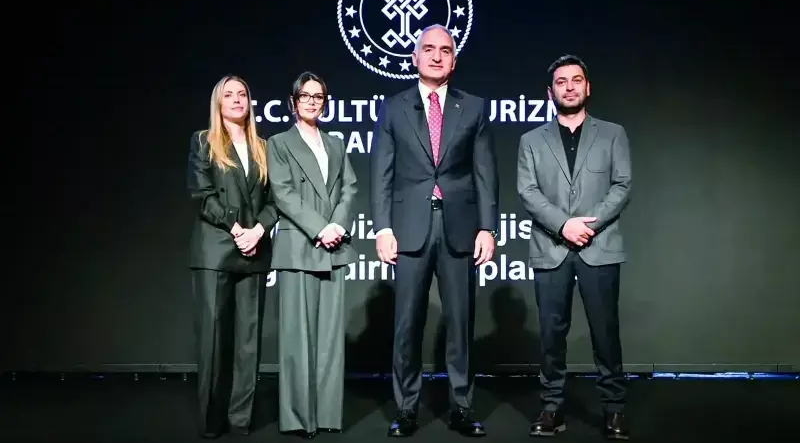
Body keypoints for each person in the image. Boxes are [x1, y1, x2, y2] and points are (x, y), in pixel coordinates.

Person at [369, 24, 499, 438]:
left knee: (460, 323)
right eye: (429, 49)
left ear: (454, 60)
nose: (437, 56)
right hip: (409, 228)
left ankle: (462, 407)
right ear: (415, 57)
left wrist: (488, 228)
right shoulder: (393, 108)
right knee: (407, 324)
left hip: (460, 228)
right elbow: (381, 174)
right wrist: (382, 228)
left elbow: (485, 173)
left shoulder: (473, 107)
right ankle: (406, 409)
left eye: (445, 50)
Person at [516, 54, 632, 440]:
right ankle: (552, 408)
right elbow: (528, 192)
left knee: (606, 332)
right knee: (552, 336)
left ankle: (614, 409)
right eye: (561, 82)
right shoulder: (531, 140)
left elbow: (622, 186)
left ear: (587, 87)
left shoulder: (612, 134)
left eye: (576, 80)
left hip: (600, 246)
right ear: (550, 92)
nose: (569, 87)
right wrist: (563, 225)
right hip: (551, 248)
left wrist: (587, 226)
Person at [266, 71, 358, 439]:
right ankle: (297, 418)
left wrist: (337, 225)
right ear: (293, 102)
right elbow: (283, 193)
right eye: (305, 96)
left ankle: (327, 415)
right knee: (297, 338)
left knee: (331, 340)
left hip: (334, 247)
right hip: (300, 246)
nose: (311, 102)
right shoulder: (279, 143)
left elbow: (350, 188)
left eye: (318, 97)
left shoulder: (335, 143)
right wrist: (321, 228)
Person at [186, 74, 278, 439]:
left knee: (248, 342)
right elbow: (202, 195)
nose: (238, 99)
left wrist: (259, 231)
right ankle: (212, 421)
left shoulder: (264, 147)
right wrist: (238, 229)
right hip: (217, 251)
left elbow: (275, 200)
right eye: (230, 94)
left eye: (243, 94)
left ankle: (241, 420)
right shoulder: (203, 141)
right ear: (218, 102)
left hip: (254, 251)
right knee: (214, 341)